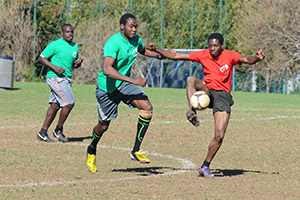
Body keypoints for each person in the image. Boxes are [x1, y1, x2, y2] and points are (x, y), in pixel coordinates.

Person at [147, 33, 266, 178]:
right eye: (210, 46)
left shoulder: (229, 55)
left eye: (216, 46)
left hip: (223, 96)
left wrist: (257, 59)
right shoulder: (203, 54)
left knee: (219, 136)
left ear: (222, 46)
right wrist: (157, 49)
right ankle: (192, 112)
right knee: (191, 79)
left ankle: (205, 166)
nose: (212, 49)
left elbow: (246, 59)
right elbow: (177, 56)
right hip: (207, 92)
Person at [86, 13, 163, 173]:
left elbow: (142, 50)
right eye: (131, 26)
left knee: (147, 107)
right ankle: (91, 149)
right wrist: (133, 80)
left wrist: (157, 54)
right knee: (103, 126)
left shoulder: (136, 39)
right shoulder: (113, 43)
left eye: (135, 26)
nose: (134, 29)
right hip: (107, 88)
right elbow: (107, 69)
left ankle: (136, 150)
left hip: (124, 84)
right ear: (122, 27)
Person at [37, 24, 84, 143]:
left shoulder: (74, 46)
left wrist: (77, 64)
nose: (70, 34)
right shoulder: (55, 44)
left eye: (72, 32)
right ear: (62, 33)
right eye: (67, 32)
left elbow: (72, 64)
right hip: (56, 77)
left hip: (66, 79)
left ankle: (42, 132)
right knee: (69, 103)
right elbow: (41, 58)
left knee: (55, 105)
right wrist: (54, 68)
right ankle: (58, 130)